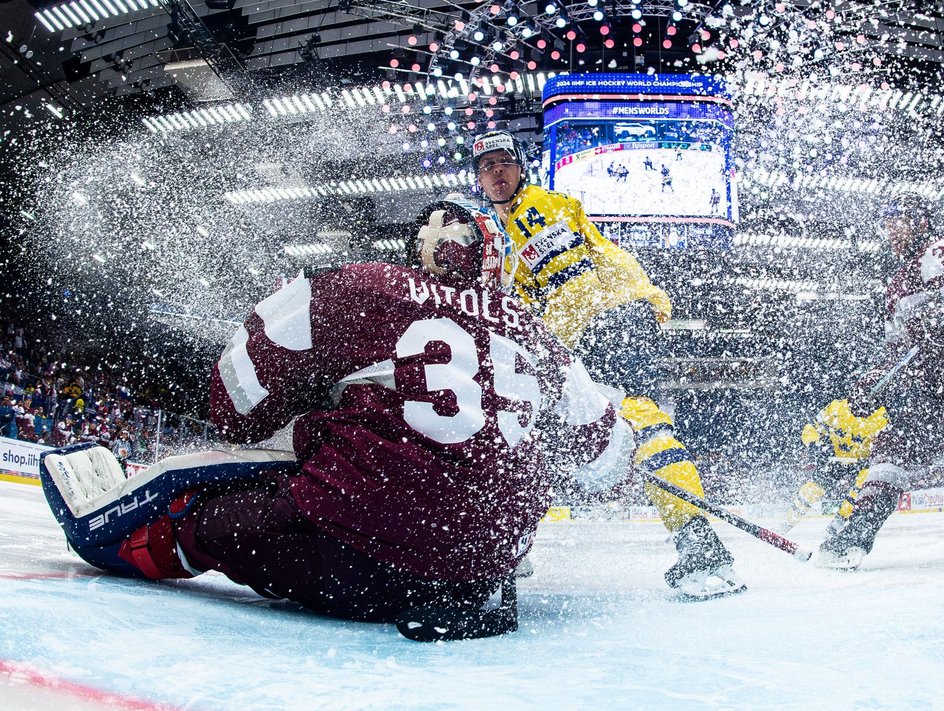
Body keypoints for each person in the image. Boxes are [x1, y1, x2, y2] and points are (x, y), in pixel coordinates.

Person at [40, 199, 634, 641]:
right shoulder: (537, 331)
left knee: (210, 522)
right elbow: (609, 458)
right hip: (483, 576)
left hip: (362, 558)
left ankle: (117, 536)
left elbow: (236, 387)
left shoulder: (365, 285)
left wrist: (293, 409)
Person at [470, 130, 744, 599]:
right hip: (595, 326)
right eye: (485, 167)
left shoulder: (534, 211)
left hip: (596, 325)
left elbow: (570, 274)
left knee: (539, 429)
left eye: (503, 164)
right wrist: (645, 295)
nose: (496, 174)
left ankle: (509, 545)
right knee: (614, 423)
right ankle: (699, 543)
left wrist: (637, 300)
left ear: (519, 168)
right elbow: (602, 253)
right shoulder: (522, 218)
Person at [812, 192, 944, 570]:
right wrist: (874, 381)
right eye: (885, 225)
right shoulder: (895, 287)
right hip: (926, 386)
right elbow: (897, 352)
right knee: (891, 453)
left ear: (921, 222)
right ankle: (851, 541)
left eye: (896, 222)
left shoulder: (942, 251)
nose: (889, 232)